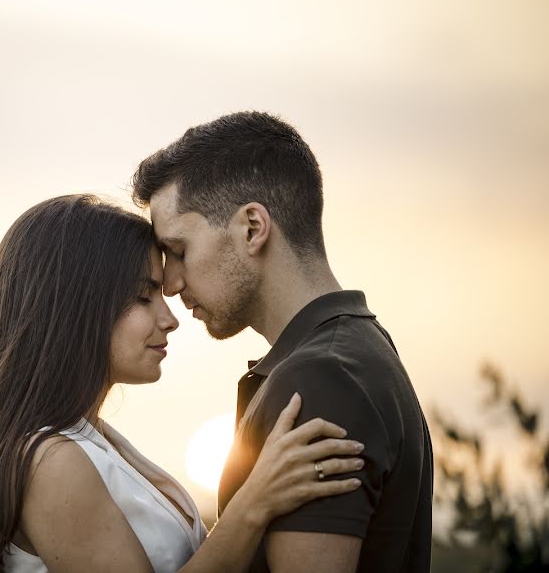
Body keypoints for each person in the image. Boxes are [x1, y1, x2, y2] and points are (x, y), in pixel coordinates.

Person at [0, 194, 367, 573]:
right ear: (79, 306)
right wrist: (254, 503)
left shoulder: (94, 441)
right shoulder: (52, 461)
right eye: (144, 298)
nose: (170, 319)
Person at [131, 111, 434, 572]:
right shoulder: (357, 348)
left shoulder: (323, 378)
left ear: (253, 227)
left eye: (179, 250)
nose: (170, 282)